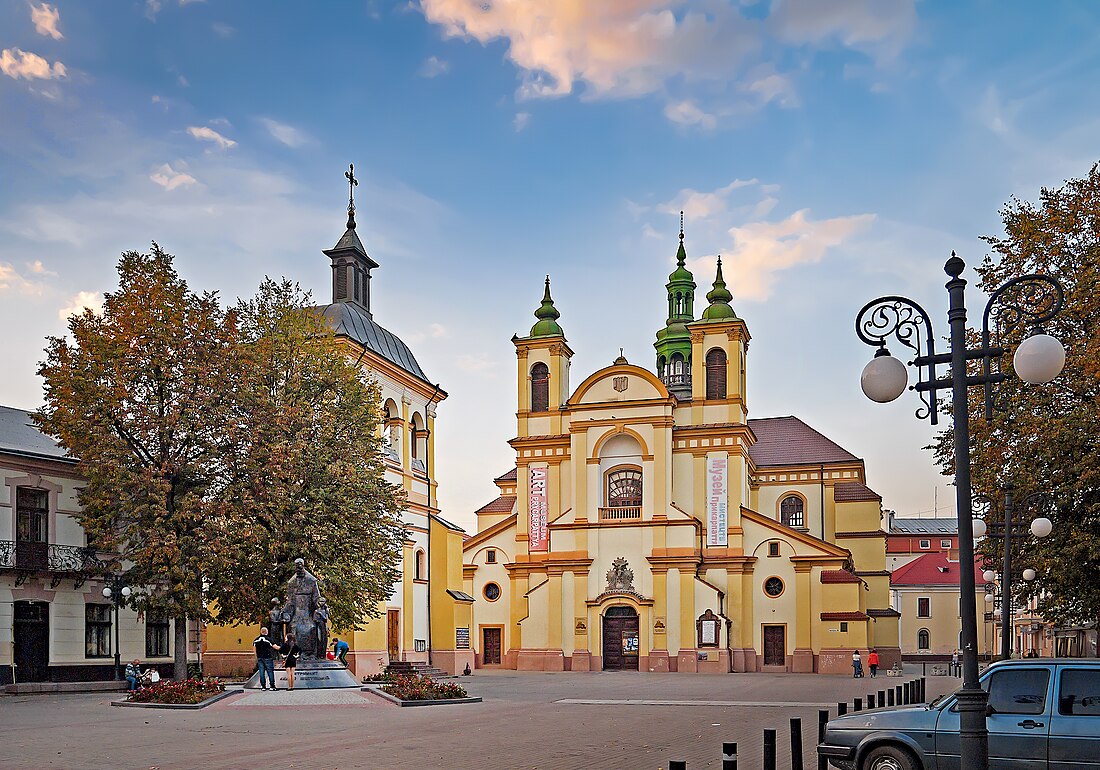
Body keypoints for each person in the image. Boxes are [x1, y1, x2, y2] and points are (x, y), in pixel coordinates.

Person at [253, 627, 280, 691]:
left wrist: (256, 657)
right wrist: (283, 648)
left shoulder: (256, 640)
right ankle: (272, 686)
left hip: (260, 658)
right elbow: (275, 647)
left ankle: (263, 686)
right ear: (266, 632)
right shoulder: (268, 639)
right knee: (270, 671)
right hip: (268, 657)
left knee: (261, 672)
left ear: (261, 632)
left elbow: (254, 650)